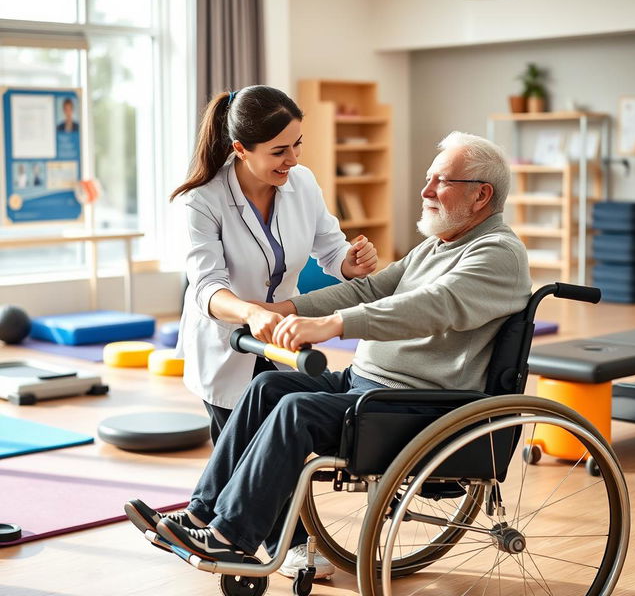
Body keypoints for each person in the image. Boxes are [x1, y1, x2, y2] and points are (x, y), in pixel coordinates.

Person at [126, 130, 531, 574]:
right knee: (267, 386)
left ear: (481, 196)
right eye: (428, 178)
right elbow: (369, 289)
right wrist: (275, 311)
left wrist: (332, 326)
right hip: (370, 388)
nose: (425, 190)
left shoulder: (498, 253)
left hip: (418, 403)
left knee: (296, 411)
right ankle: (202, 513)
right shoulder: (440, 244)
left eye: (441, 181)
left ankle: (231, 538)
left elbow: (427, 308)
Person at [125, 85, 377, 578]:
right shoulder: (203, 200)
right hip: (228, 337)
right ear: (241, 149)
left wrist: (350, 261)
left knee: (275, 439)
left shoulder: (302, 184)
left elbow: (330, 251)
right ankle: (271, 545)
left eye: (298, 144)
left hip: (282, 331)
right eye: (279, 151)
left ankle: (205, 525)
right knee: (241, 448)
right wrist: (250, 313)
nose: (293, 159)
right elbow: (207, 287)